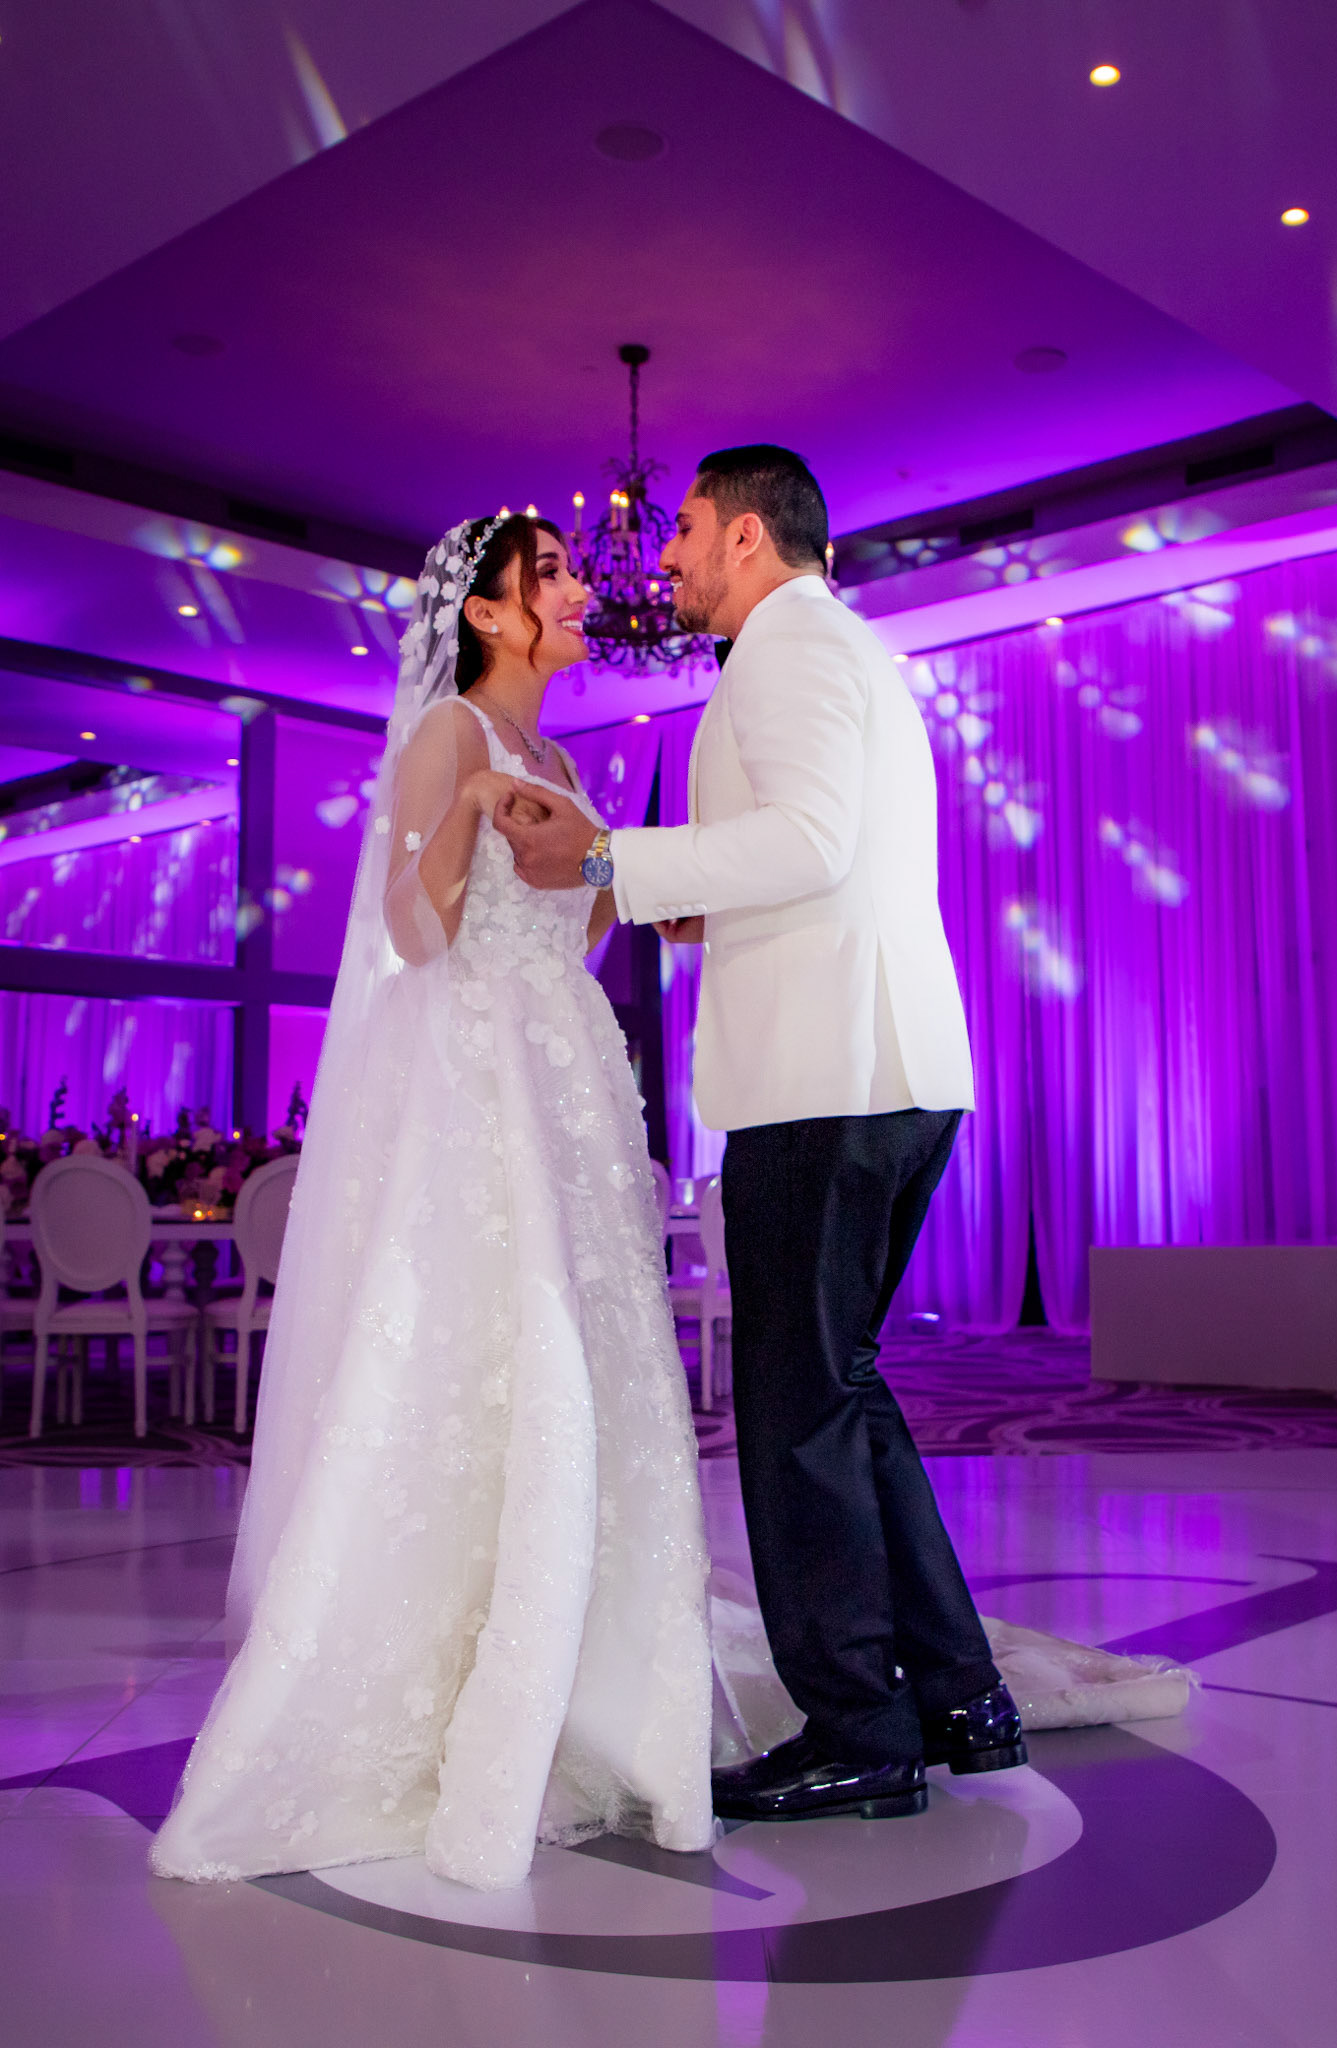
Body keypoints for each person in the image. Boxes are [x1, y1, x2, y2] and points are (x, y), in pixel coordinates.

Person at [149, 513, 713, 1891]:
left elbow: (580, 921)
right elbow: (411, 929)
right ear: (490, 615)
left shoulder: (562, 761)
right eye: (551, 576)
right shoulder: (450, 735)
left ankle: (594, 1652)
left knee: (594, 1346)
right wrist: (462, 815)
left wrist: (618, 875)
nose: (580, 592)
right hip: (485, 1079)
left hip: (571, 1069)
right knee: (498, 1348)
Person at [495, 447, 1026, 1824]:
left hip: (822, 1082)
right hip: (879, 1068)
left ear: (743, 535)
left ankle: (857, 1729)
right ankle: (957, 1696)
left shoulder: (788, 648)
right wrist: (697, 904)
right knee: (839, 1391)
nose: (663, 555)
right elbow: (820, 861)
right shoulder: (837, 649)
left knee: (794, 1414)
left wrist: (607, 856)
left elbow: (806, 841)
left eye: (680, 527)